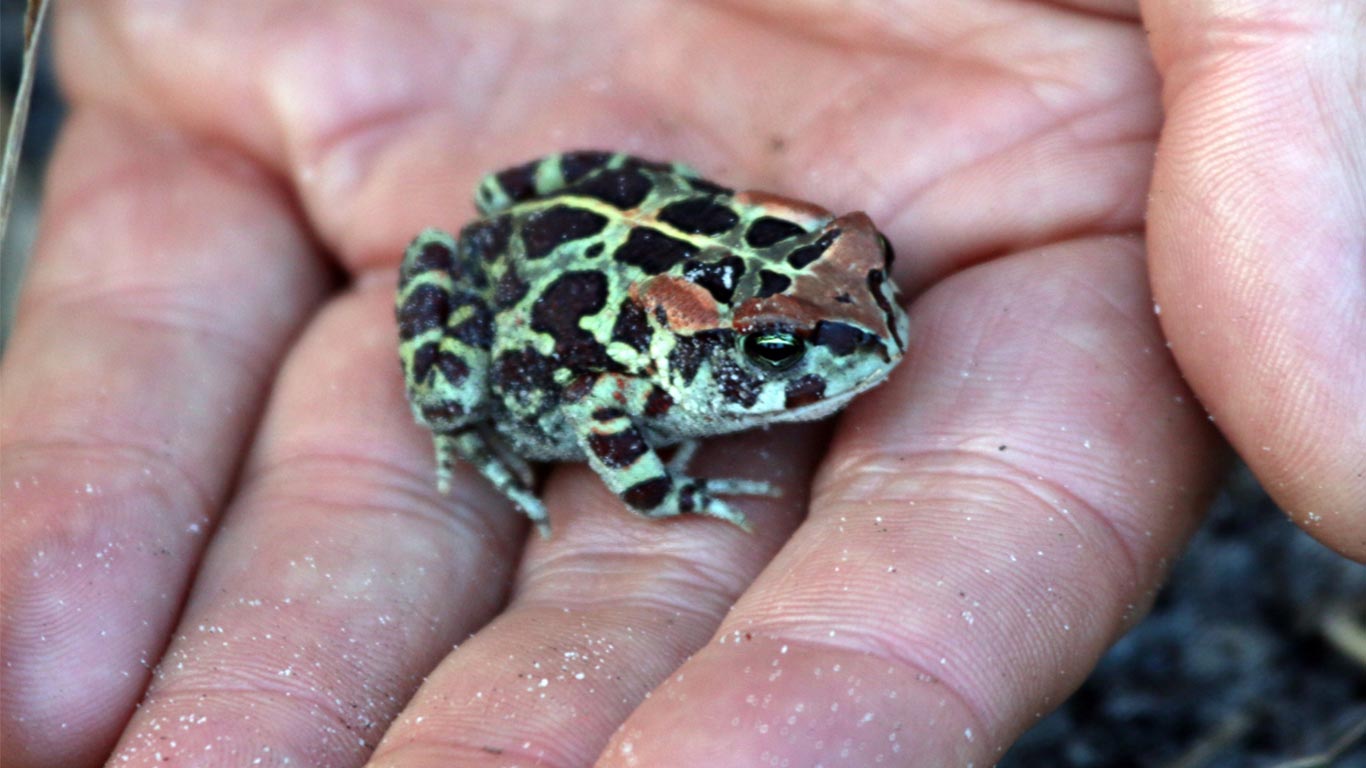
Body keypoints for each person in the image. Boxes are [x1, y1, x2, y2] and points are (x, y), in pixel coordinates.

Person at [2, 1, 1361, 765]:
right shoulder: (639, 377)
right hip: (546, 307)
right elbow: (604, 417)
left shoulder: (817, 283)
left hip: (658, 238)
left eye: (871, 282)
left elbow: (799, 276)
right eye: (787, 349)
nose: (863, 338)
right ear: (716, 356)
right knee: (456, 383)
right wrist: (668, 490)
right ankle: (469, 432)